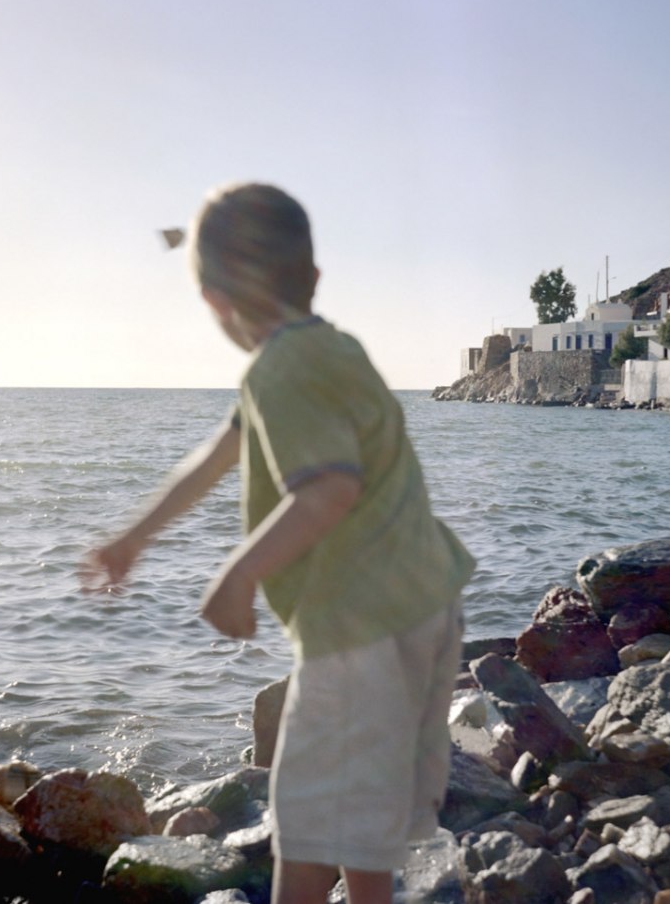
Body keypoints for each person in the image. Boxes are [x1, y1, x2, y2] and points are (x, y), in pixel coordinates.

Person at [83, 182, 475, 904]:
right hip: (423, 605)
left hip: (357, 625)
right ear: (315, 278)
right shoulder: (333, 350)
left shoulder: (280, 370)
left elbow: (329, 489)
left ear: (212, 300)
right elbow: (219, 454)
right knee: (361, 813)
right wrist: (135, 537)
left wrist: (237, 575)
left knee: (305, 822)